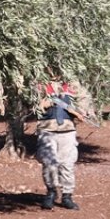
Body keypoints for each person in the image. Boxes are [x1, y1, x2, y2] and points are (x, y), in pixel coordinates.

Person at [35, 77, 92, 210]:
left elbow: (84, 98)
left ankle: (67, 196)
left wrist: (82, 112)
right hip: (47, 129)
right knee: (49, 162)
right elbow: (32, 104)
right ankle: (51, 192)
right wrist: (45, 104)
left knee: (67, 163)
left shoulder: (72, 83)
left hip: (67, 130)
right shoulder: (41, 84)